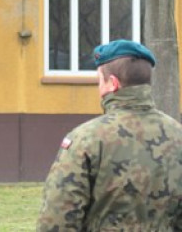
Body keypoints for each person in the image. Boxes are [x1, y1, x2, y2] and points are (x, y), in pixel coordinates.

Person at [36, 40, 182, 230]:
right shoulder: (178, 135)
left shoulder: (86, 139)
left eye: (99, 81)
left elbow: (57, 220)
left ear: (112, 83)